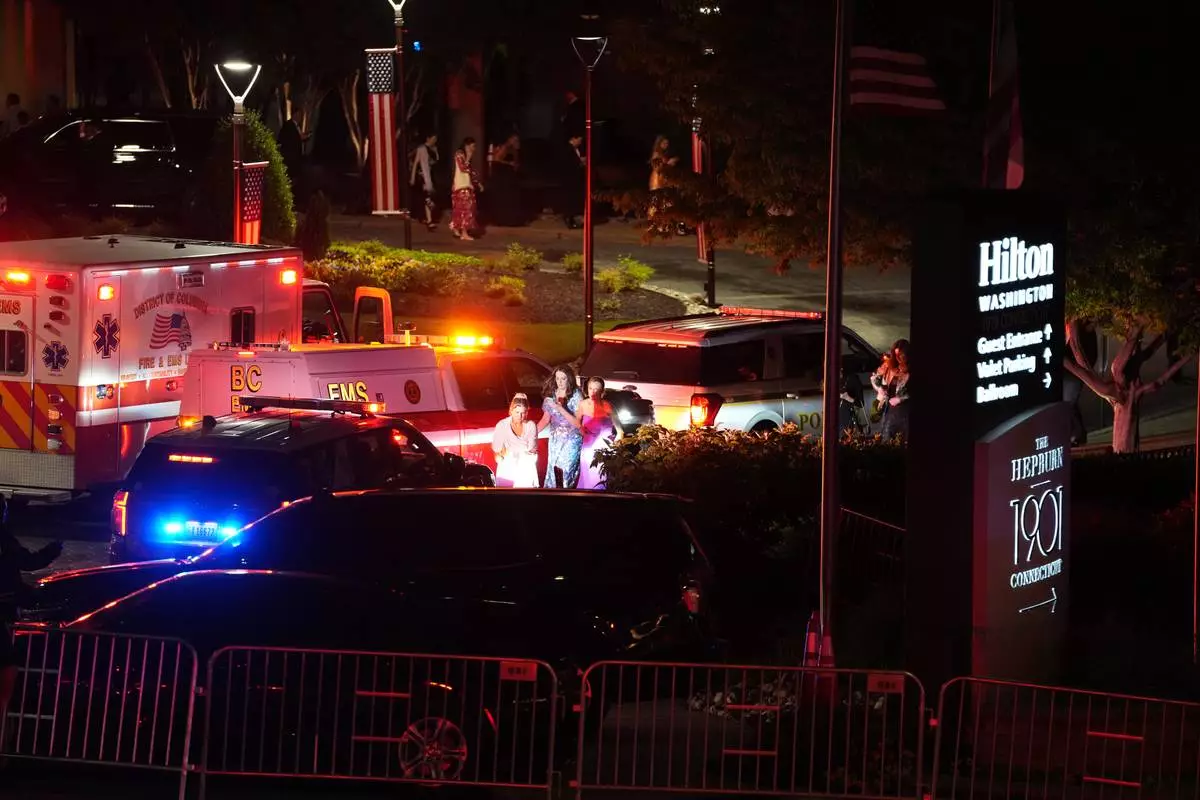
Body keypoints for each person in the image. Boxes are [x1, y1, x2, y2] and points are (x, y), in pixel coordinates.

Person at [1, 500, 63, 732]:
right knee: (8, 662)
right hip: (3, 610)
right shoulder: (4, 540)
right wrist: (53, 549)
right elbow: (28, 562)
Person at [539, 366, 584, 488]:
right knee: (554, 471)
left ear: (569, 379)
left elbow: (577, 423)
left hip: (571, 439)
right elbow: (545, 419)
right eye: (557, 378)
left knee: (566, 471)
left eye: (563, 379)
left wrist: (560, 408)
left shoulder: (576, 395)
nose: (560, 382)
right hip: (555, 440)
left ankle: (566, 499)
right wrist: (530, 434)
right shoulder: (552, 395)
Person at [577, 377, 623, 490]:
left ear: (602, 392)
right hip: (587, 447)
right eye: (591, 388)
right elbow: (577, 424)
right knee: (587, 478)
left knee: (600, 478)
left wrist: (614, 446)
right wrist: (582, 430)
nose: (593, 392)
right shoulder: (582, 405)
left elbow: (620, 431)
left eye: (597, 389)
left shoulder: (608, 406)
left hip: (603, 449)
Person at [492, 393, 539, 488]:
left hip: (525, 468)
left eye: (523, 413)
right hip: (507, 468)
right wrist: (500, 456)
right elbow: (496, 450)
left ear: (527, 412)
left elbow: (532, 449)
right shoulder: (502, 425)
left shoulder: (531, 425)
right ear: (511, 410)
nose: (520, 416)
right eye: (517, 412)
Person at [871, 339, 910, 440]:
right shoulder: (888, 366)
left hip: (904, 412)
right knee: (887, 438)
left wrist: (900, 399)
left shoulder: (909, 369)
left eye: (901, 355)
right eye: (896, 354)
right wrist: (880, 389)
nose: (898, 358)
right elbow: (875, 378)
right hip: (889, 411)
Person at [450, 137, 483, 240]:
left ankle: (457, 229)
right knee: (466, 209)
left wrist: (478, 183)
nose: (474, 149)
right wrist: (468, 157)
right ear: (467, 146)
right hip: (461, 186)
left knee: (462, 209)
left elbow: (470, 172)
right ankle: (464, 233)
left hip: (465, 185)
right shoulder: (459, 154)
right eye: (473, 146)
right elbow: (463, 168)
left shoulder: (464, 155)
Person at [488, 132, 524, 226]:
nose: (517, 142)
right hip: (502, 177)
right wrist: (509, 164)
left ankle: (511, 220)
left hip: (510, 178)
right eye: (515, 140)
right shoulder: (505, 147)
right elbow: (496, 159)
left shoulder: (514, 149)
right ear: (510, 139)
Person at [410, 133, 440, 231]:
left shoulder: (434, 149)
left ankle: (427, 218)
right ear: (428, 138)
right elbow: (416, 163)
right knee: (427, 197)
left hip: (431, 175)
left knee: (430, 197)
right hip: (423, 175)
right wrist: (413, 177)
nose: (434, 141)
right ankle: (429, 220)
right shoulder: (421, 149)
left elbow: (435, 161)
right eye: (433, 138)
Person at [558, 133, 585, 229]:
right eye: (579, 140)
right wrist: (580, 162)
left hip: (573, 178)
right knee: (570, 201)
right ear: (574, 139)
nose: (580, 142)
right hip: (570, 179)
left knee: (572, 201)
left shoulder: (573, 149)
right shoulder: (568, 149)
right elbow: (568, 163)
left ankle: (573, 221)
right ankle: (570, 221)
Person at [838, 366, 866, 435]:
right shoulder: (832, 383)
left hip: (851, 425)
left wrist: (848, 398)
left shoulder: (852, 379)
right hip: (839, 427)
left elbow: (861, 403)